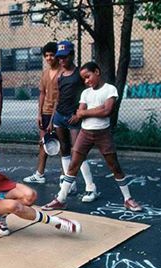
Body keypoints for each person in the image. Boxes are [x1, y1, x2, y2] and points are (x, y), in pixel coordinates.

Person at [42, 62, 142, 211]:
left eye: (88, 77)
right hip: (85, 133)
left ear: (97, 72)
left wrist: (85, 112)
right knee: (73, 165)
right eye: (83, 79)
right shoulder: (85, 93)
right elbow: (80, 113)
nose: (86, 81)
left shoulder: (110, 89)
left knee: (114, 166)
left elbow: (106, 111)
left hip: (103, 133)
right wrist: (91, 111)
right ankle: (61, 199)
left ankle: (128, 199)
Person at [51, 40, 96, 202]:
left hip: (74, 117)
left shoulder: (79, 74)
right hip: (59, 116)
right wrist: (52, 119)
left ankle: (91, 188)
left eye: (64, 57)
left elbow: (88, 96)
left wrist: (80, 114)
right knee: (64, 149)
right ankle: (70, 185)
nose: (61, 60)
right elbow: (58, 97)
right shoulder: (60, 75)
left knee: (78, 151)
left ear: (71, 55)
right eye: (59, 57)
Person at [23, 42, 61, 184]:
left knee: (62, 145)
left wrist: (52, 121)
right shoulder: (45, 73)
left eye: (52, 55)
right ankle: (39, 174)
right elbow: (42, 94)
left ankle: (66, 177)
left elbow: (60, 98)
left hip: (58, 113)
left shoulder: (62, 73)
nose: (49, 58)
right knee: (43, 143)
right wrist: (39, 114)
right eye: (46, 55)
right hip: (45, 112)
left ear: (57, 56)